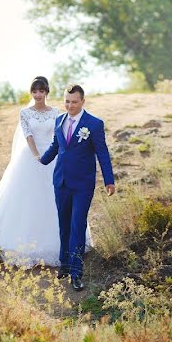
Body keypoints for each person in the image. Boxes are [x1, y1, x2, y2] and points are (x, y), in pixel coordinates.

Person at [0, 76, 90, 267]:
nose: (38, 95)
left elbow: (59, 136)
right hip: (30, 156)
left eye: (41, 91)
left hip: (52, 154)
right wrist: (37, 155)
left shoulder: (56, 112)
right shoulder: (25, 113)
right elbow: (28, 135)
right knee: (26, 196)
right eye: (35, 91)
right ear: (31, 93)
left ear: (47, 92)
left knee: (56, 196)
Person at [39, 84, 115, 291]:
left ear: (82, 101)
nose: (70, 105)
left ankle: (76, 272)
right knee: (63, 224)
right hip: (61, 181)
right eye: (67, 101)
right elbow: (56, 146)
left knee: (77, 225)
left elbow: (102, 153)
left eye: (74, 102)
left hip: (82, 185)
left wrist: (109, 180)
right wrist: (40, 160)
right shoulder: (59, 120)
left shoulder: (94, 124)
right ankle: (64, 264)